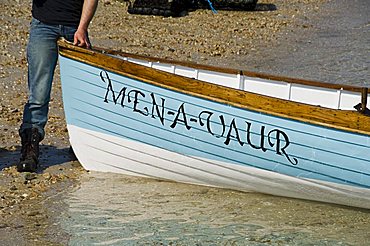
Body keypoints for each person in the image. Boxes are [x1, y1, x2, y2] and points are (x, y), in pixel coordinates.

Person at [18, 0, 99, 172]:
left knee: (82, 92)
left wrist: (82, 28)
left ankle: (82, 144)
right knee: (38, 93)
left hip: (75, 27)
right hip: (43, 25)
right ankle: (30, 147)